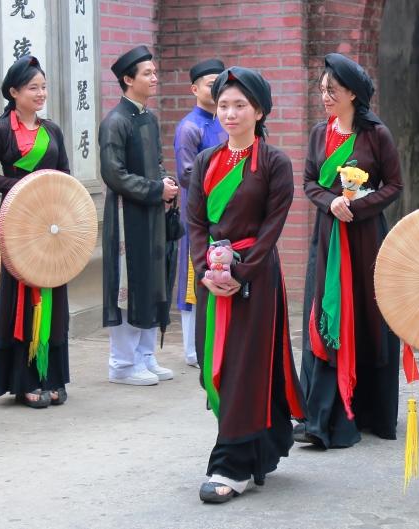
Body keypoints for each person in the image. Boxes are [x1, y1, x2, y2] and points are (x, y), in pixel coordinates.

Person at [187, 67, 306, 503]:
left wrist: (240, 273)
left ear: (259, 110)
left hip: (255, 276)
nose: (230, 113)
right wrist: (207, 270)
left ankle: (230, 464)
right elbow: (196, 221)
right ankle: (261, 444)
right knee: (212, 364)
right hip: (211, 277)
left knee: (243, 366)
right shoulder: (206, 161)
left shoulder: (274, 162)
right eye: (223, 105)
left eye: (240, 105)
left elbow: (273, 227)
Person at [297, 53, 403, 449]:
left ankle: (368, 409)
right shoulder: (318, 134)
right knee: (326, 313)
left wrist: (356, 206)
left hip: (365, 240)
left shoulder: (377, 135)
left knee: (365, 315)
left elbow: (394, 185)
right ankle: (322, 414)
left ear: (354, 95)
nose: (324, 96)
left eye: (333, 90)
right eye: (322, 89)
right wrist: (330, 203)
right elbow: (309, 182)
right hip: (328, 238)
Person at [0, 56, 71, 408]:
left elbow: (65, 175)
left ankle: (53, 376)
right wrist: (19, 186)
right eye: (33, 88)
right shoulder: (1, 131)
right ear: (14, 92)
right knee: (22, 297)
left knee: (54, 298)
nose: (41, 93)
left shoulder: (52, 131)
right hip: (17, 223)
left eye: (44, 87)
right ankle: (24, 380)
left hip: (51, 224)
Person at [99, 45, 177, 386]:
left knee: (152, 280)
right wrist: (154, 190)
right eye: (148, 73)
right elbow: (112, 174)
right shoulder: (114, 122)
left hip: (152, 213)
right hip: (127, 216)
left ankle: (145, 355)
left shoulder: (148, 118)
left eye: (155, 72)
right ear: (128, 79)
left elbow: (156, 161)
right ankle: (121, 363)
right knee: (128, 284)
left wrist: (166, 181)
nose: (155, 78)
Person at [173, 58, 227, 369]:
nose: (217, 89)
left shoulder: (223, 121)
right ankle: (193, 348)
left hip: (224, 214)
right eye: (210, 83)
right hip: (199, 215)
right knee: (194, 276)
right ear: (195, 89)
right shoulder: (190, 127)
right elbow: (187, 174)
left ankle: (213, 338)